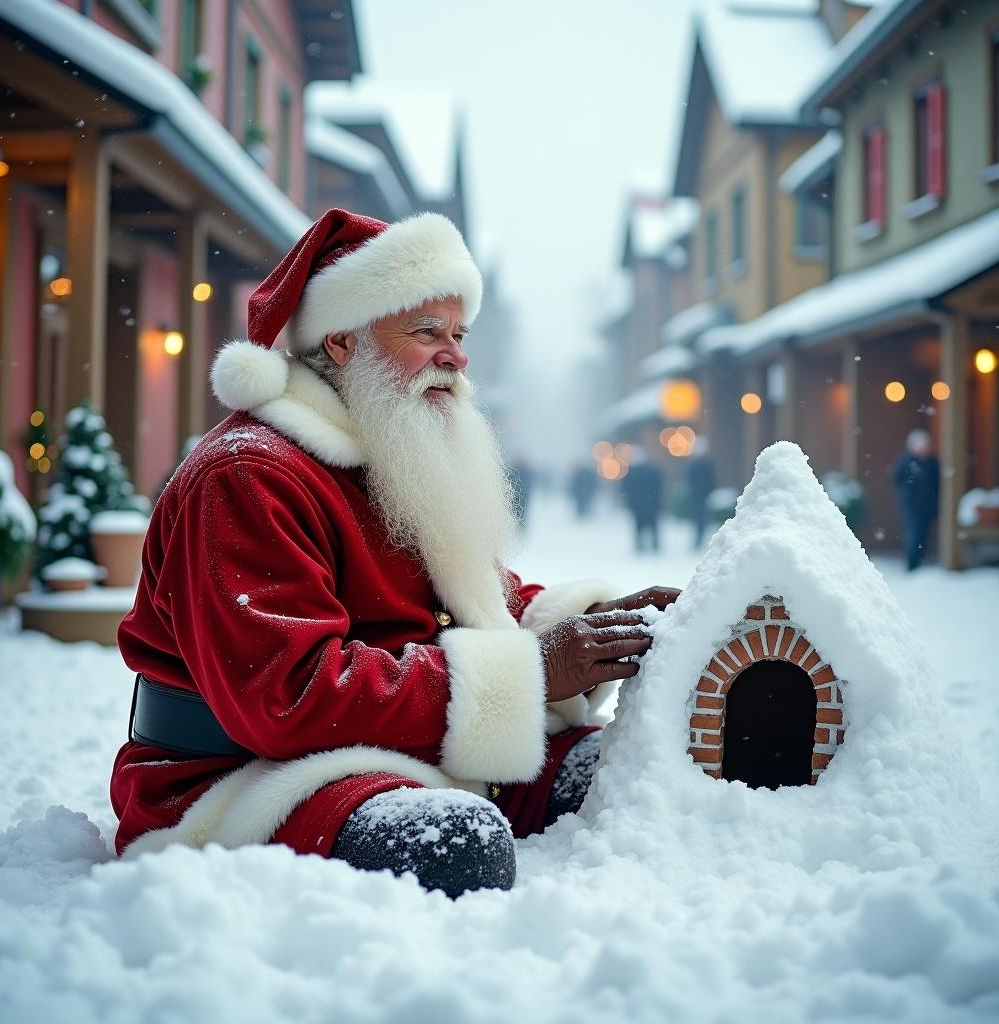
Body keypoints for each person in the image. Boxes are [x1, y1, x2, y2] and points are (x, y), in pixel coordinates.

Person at [111, 209, 680, 898]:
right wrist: (533, 669)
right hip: (249, 778)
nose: (456, 357)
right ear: (343, 339)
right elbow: (286, 696)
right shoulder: (246, 477)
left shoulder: (390, 447)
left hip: (411, 748)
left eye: (459, 335)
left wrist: (593, 627)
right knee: (456, 845)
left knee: (634, 771)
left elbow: (477, 597)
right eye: (427, 333)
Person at [891, 428, 940, 571]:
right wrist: (908, 490)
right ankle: (912, 564)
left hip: (928, 506)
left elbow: (938, 484)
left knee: (924, 534)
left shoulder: (932, 462)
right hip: (911, 506)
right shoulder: (906, 461)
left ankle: (920, 562)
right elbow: (896, 480)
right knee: (913, 534)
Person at [620, 446, 664, 553]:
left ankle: (641, 546)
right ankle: (654, 546)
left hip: (639, 505)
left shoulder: (631, 473)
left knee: (640, 526)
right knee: (652, 526)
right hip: (649, 504)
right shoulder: (652, 470)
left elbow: (625, 488)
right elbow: (658, 487)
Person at [685, 436, 715, 550]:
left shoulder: (703, 464)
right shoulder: (696, 464)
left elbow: (710, 480)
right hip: (698, 495)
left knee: (700, 518)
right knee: (698, 518)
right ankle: (698, 540)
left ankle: (698, 540)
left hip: (701, 495)